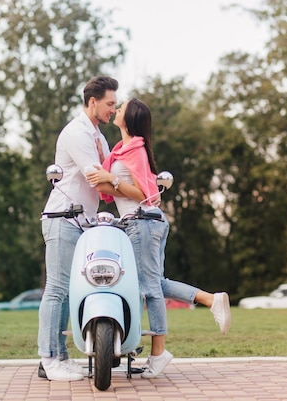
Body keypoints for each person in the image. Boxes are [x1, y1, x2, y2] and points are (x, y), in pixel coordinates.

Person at [86, 98, 231, 379]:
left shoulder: (135, 150)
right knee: (156, 283)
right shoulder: (121, 150)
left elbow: (146, 194)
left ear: (130, 119)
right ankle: (212, 300)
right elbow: (104, 184)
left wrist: (111, 180)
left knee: (150, 288)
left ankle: (159, 353)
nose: (117, 108)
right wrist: (104, 173)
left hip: (143, 222)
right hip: (139, 223)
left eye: (122, 106)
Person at [37, 76, 119, 381]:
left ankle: (60, 356)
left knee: (70, 292)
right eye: (110, 103)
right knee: (56, 290)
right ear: (93, 101)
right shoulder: (77, 133)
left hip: (82, 223)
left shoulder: (99, 136)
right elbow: (97, 176)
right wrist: (128, 184)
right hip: (62, 217)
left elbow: (106, 185)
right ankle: (48, 358)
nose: (114, 109)